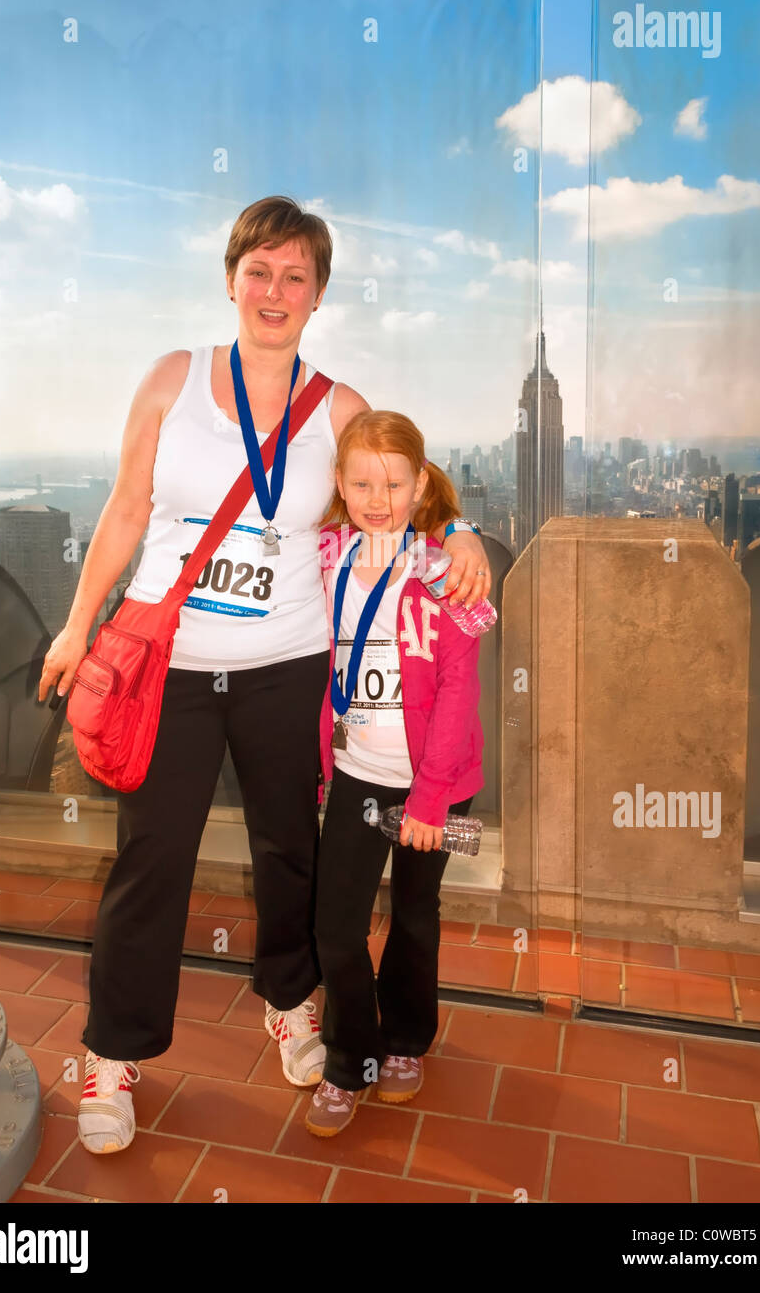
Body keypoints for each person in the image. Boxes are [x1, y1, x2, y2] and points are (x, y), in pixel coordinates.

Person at [35, 194, 491, 1155]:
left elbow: (407, 490)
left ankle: (292, 1006)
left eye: (296, 276)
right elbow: (125, 511)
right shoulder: (174, 380)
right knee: (150, 860)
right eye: (260, 271)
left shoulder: (343, 407)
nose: (275, 291)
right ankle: (114, 1057)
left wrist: (460, 533)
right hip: (175, 668)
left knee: (294, 854)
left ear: (318, 294)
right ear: (232, 278)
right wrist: (78, 627)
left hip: (288, 667)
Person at [306, 409, 485, 1136]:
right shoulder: (325, 557)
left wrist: (432, 801)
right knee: (337, 927)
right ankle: (350, 1059)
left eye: (394, 482)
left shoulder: (445, 574)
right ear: (341, 486)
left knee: (415, 913)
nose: (378, 498)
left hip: (435, 783)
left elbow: (457, 691)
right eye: (362, 483)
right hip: (356, 773)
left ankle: (407, 1040)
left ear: (419, 485)